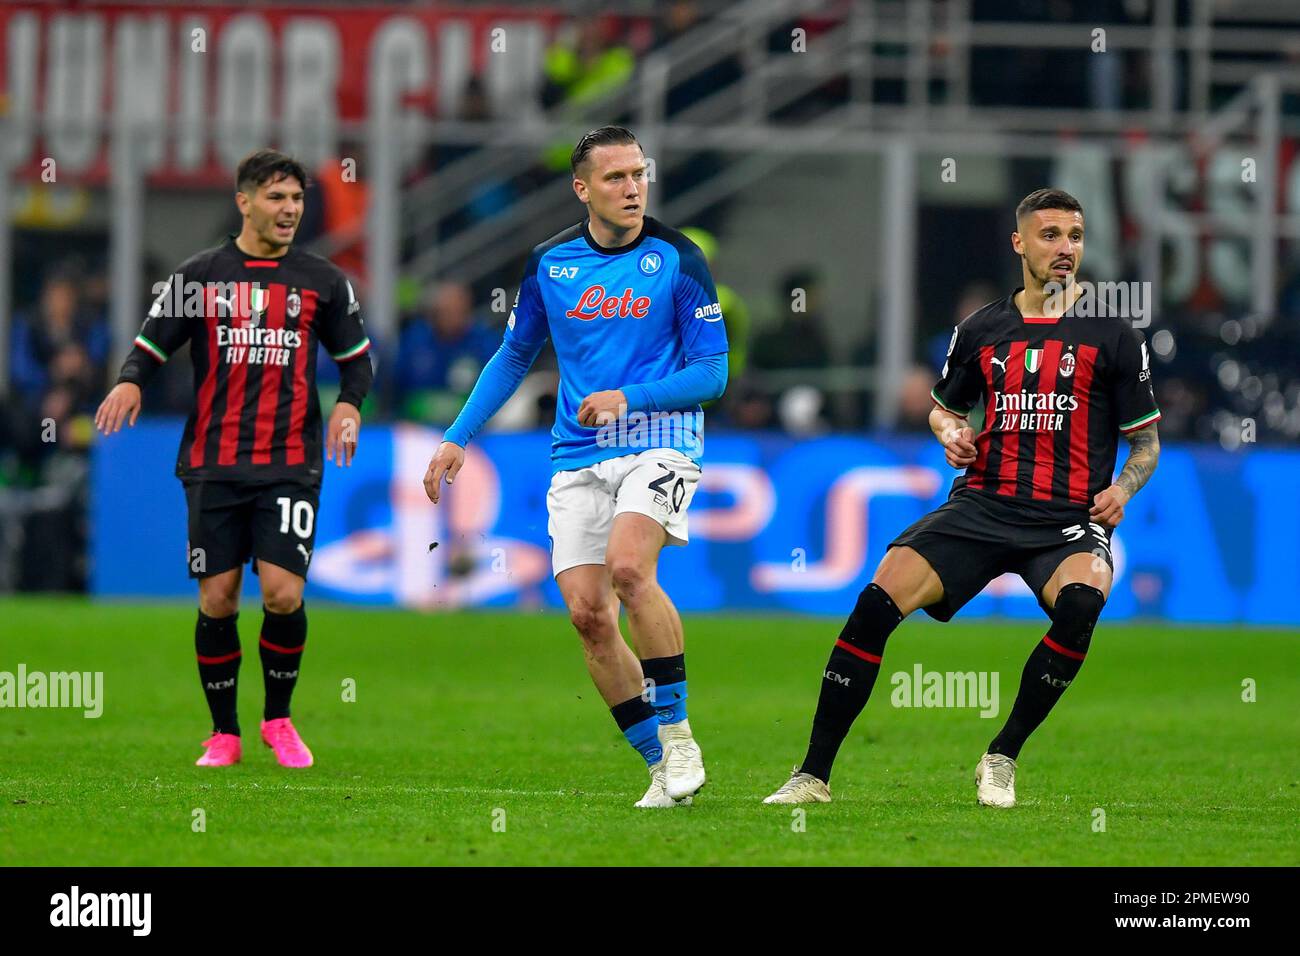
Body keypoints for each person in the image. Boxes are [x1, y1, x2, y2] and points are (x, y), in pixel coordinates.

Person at [764, 188, 1161, 808]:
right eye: (1051, 235)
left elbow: (1145, 444)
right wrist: (951, 433)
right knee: (875, 604)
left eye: (1075, 236)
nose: (1065, 249)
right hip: (982, 505)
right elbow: (945, 409)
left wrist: (1124, 489)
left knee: (1081, 606)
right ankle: (812, 775)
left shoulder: (1113, 334)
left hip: (1066, 519)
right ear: (1020, 243)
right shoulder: (982, 329)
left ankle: (1002, 755)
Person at [423, 126, 729, 808]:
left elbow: (713, 372)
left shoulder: (677, 258)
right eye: (616, 177)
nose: (632, 187)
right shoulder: (550, 264)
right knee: (590, 617)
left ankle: (679, 736)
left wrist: (632, 397)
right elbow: (513, 355)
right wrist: (458, 437)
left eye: (639, 174)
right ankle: (658, 766)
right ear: (582, 188)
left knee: (628, 570)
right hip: (577, 453)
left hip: (662, 437)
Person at [95, 149, 374, 769]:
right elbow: (151, 344)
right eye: (276, 198)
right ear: (244, 201)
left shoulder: (323, 281)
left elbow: (356, 360)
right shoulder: (198, 275)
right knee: (218, 597)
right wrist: (130, 381)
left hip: (290, 462)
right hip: (213, 464)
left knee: (281, 593)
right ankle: (224, 733)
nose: (290, 210)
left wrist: (349, 404)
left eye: (297, 199)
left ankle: (279, 718)